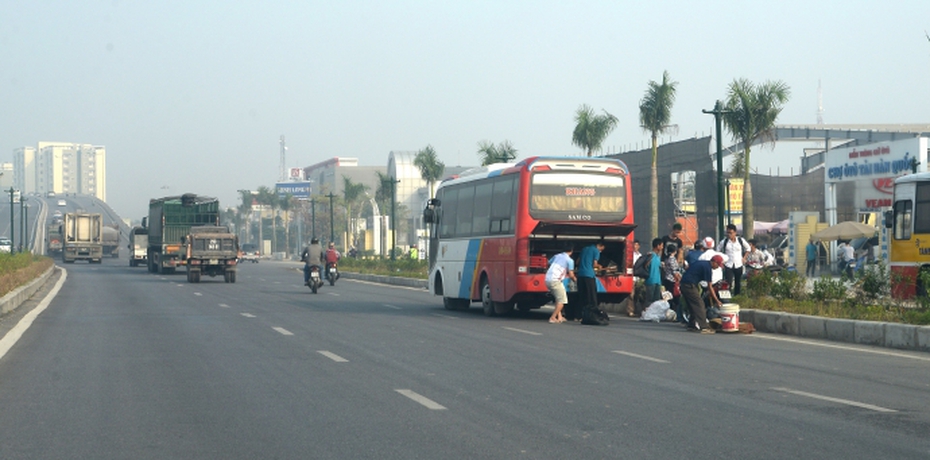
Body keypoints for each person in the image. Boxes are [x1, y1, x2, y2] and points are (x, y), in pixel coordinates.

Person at [680, 254, 725, 334]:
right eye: (718, 264)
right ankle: (704, 327)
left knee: (692, 305)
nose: (718, 267)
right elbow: (710, 286)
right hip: (689, 285)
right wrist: (717, 301)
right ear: (714, 262)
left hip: (684, 284)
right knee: (699, 304)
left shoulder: (702, 263)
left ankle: (692, 325)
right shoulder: (707, 267)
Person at [716, 224, 750, 296]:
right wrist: (722, 261)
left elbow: (748, 248)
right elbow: (717, 250)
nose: (729, 235)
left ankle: (737, 297)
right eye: (727, 233)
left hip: (738, 264)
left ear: (735, 232)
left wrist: (744, 258)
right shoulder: (724, 242)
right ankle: (727, 297)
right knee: (728, 282)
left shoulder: (740, 240)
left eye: (730, 233)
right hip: (728, 264)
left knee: (738, 282)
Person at [576, 241, 605, 323]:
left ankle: (578, 315)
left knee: (581, 296)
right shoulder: (596, 251)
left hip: (580, 275)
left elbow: (577, 261)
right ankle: (593, 315)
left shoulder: (584, 249)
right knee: (592, 296)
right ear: (599, 246)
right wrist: (600, 266)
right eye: (601, 249)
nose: (601, 251)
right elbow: (594, 264)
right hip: (589, 275)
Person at [546, 245, 576, 324]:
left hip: (548, 279)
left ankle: (559, 317)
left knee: (558, 298)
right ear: (571, 251)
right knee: (562, 300)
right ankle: (552, 318)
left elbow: (549, 263)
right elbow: (571, 274)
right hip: (555, 281)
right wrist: (576, 280)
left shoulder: (557, 256)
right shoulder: (569, 260)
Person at [662, 242, 683, 321]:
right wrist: (679, 280)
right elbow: (675, 272)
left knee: (669, 298)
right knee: (676, 299)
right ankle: (676, 315)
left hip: (667, 279)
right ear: (675, 251)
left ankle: (669, 314)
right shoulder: (672, 259)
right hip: (672, 281)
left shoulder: (666, 258)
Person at [644, 238, 665, 304]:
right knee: (649, 301)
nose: (662, 247)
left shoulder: (658, 257)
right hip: (650, 281)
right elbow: (645, 266)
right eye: (661, 246)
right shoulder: (650, 256)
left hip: (658, 282)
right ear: (658, 246)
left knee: (656, 302)